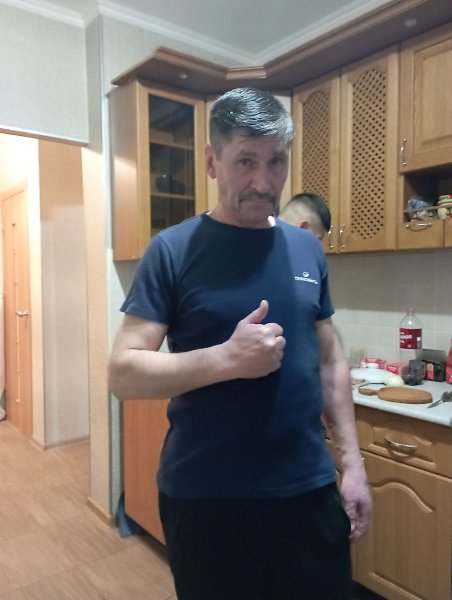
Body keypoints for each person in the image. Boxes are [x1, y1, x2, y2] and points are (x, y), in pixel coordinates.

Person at [109, 87, 372, 600]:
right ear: (212, 162)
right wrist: (226, 359)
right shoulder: (172, 250)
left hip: (308, 492)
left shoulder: (307, 249)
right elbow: (123, 373)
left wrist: (354, 464)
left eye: (277, 162)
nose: (263, 182)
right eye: (246, 161)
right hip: (208, 499)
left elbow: (330, 362)